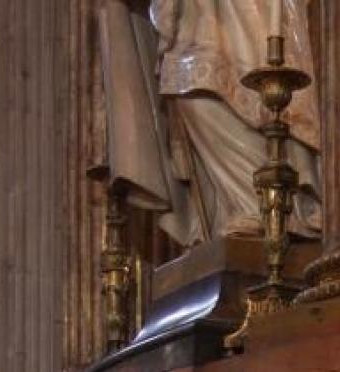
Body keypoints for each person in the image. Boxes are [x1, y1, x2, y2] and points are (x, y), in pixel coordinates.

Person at [99, 0, 321, 246]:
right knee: (190, 87)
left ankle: (268, 203)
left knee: (228, 79)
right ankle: (247, 201)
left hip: (244, 15)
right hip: (196, 16)